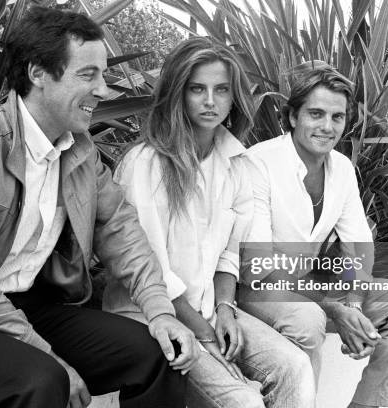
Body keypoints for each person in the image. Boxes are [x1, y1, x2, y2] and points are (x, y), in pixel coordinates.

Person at [0, 7, 198, 408]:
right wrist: (49, 356)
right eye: (88, 75)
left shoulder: (80, 152)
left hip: (27, 306)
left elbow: (122, 233)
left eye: (102, 74)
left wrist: (160, 311)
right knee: (40, 380)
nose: (104, 89)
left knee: (157, 355)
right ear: (37, 73)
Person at [103, 37, 315, 408]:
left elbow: (228, 254)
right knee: (243, 402)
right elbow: (151, 270)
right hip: (151, 318)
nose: (210, 101)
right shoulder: (146, 164)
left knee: (293, 366)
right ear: (176, 93)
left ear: (234, 98)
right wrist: (205, 336)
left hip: (206, 310)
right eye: (197, 89)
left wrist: (225, 310)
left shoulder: (236, 163)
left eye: (221, 90)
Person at [240, 63, 388, 408]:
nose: (327, 127)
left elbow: (358, 243)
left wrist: (354, 305)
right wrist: (334, 309)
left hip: (308, 283)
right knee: (308, 318)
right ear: (293, 117)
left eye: (337, 117)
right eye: (316, 114)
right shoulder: (259, 164)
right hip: (257, 287)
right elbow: (257, 263)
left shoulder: (342, 167)